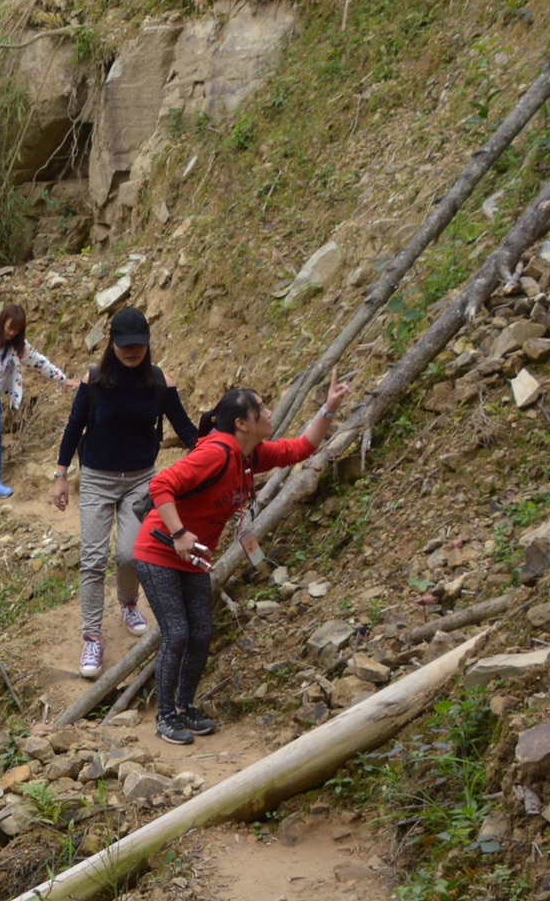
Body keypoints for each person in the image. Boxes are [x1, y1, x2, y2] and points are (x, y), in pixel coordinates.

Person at [133, 374, 353, 745]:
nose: (269, 412)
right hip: (158, 551)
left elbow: (301, 448)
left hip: (194, 558)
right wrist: (179, 533)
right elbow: (160, 485)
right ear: (242, 423)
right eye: (262, 408)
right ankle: (166, 716)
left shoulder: (249, 455)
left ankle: (185, 708)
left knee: (201, 632)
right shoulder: (215, 452)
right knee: (178, 632)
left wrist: (328, 409)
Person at [52, 307, 200, 680]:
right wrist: (60, 475)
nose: (132, 352)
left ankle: (129, 602)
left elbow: (184, 429)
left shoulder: (158, 382)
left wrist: (214, 456)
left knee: (130, 553)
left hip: (140, 479)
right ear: (112, 344)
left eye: (138, 346)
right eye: (125, 346)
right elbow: (74, 427)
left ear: (147, 344)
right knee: (93, 558)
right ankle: (92, 636)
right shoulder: (95, 381)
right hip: (98, 479)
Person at [0, 304, 77, 505]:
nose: (9, 333)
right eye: (8, 327)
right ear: (2, 322)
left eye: (15, 330)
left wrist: (63, 379)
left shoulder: (18, 347)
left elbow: (39, 363)